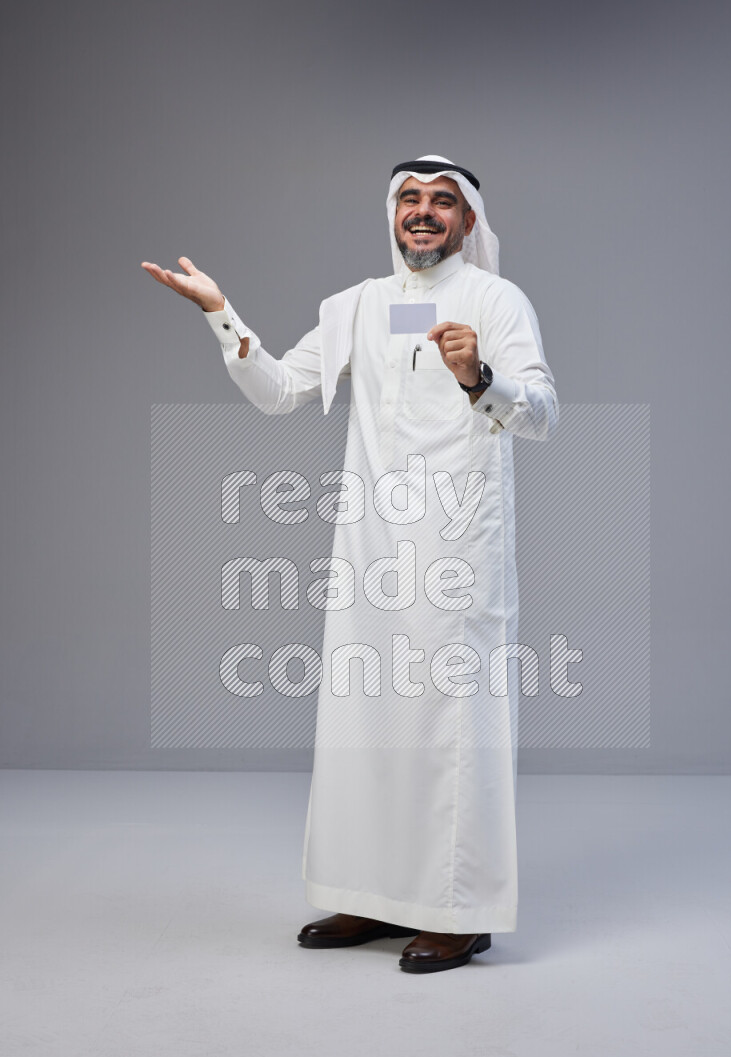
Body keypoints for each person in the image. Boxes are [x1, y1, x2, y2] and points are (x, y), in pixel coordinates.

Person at [142, 154, 558, 974]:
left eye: (443, 203)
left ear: (469, 222)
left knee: (452, 726)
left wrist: (481, 375)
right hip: (369, 552)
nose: (424, 213)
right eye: (410, 199)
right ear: (392, 213)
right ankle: (373, 895)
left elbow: (542, 414)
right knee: (364, 725)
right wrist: (222, 314)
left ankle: (460, 910)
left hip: (456, 553)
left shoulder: (495, 301)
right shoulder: (359, 307)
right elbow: (277, 390)